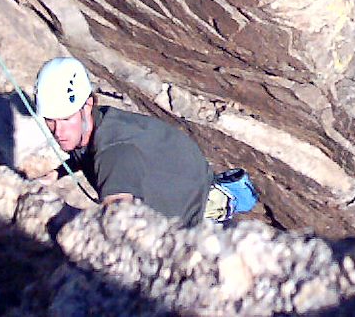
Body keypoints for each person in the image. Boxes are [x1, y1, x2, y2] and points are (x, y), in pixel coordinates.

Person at [25, 56, 216, 225]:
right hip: (193, 186)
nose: (58, 131)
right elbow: (85, 152)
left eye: (66, 119)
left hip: (195, 221)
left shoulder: (114, 152)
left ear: (87, 105)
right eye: (50, 120)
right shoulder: (99, 121)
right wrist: (58, 172)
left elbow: (118, 221)